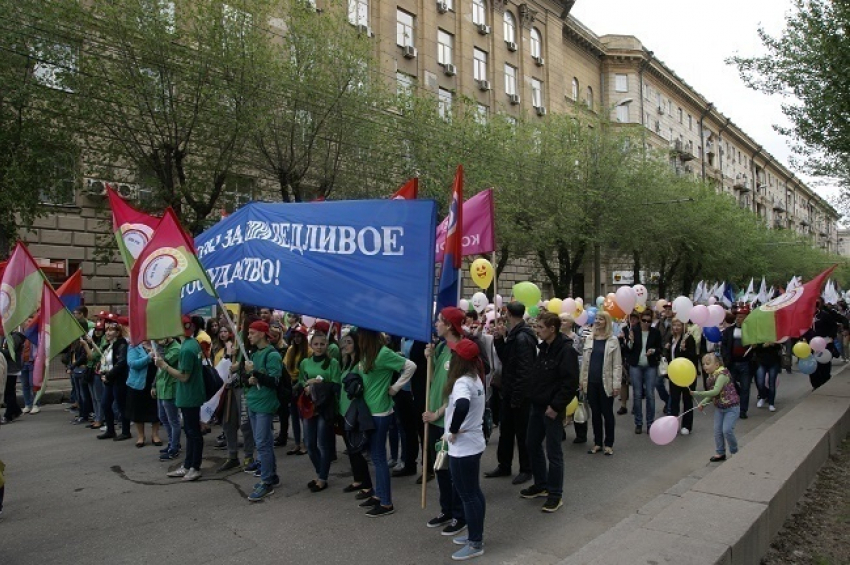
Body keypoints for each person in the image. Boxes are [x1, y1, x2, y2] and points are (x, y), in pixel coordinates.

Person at [356, 329, 416, 517]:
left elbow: (410, 366)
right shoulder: (370, 353)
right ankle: (379, 495)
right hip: (371, 410)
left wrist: (396, 388)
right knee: (376, 457)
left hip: (380, 411)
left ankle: (386, 502)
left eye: (359, 336)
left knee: (379, 458)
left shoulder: (382, 353)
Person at [522, 312, 578, 512]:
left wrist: (556, 406)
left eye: (540, 327)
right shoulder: (543, 348)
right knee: (531, 444)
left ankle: (555, 494)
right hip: (537, 405)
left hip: (552, 409)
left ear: (552, 329)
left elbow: (570, 383)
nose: (537, 330)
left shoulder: (565, 350)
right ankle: (541, 484)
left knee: (554, 452)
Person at [423, 307, 467, 535]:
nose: (436, 324)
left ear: (449, 325)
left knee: (454, 472)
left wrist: (438, 413)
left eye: (439, 321)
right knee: (439, 468)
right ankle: (446, 510)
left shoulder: (462, 352)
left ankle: (460, 516)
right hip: (434, 418)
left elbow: (460, 394)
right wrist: (429, 358)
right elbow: (435, 381)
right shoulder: (441, 347)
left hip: (448, 420)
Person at [442, 338, 487, 560]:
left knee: (468, 495)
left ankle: (475, 542)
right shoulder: (474, 377)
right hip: (473, 442)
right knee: (473, 493)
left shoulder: (462, 382)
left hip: (464, 446)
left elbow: (461, 405)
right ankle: (474, 533)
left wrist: (453, 428)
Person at [486, 301, 537, 485]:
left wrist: (517, 396)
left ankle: (526, 469)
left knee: (521, 434)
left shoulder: (523, 337)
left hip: (519, 394)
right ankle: (504, 464)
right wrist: (499, 339)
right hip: (510, 392)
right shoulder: (515, 335)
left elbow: (524, 371)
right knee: (506, 431)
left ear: (508, 314)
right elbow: (507, 358)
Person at [157, 316, 205, 482]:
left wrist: (165, 366)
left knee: (193, 433)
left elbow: (184, 377)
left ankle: (194, 467)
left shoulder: (186, 349)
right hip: (190, 394)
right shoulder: (191, 344)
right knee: (191, 432)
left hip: (189, 395)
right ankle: (188, 465)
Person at [243, 320, 283, 501]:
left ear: (261, 333)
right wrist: (250, 378)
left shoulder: (272, 355)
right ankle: (271, 474)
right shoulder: (254, 353)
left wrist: (256, 375)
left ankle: (266, 481)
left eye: (252, 333)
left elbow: (275, 381)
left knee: (262, 444)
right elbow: (252, 377)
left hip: (265, 405)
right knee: (264, 441)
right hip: (253, 402)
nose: (249, 336)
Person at [299, 331, 342, 492]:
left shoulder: (333, 363)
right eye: (316, 344)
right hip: (309, 407)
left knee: (323, 444)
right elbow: (299, 383)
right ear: (311, 345)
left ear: (327, 345)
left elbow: (337, 386)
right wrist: (306, 384)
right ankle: (320, 473)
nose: (319, 347)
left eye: (322, 344)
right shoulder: (305, 362)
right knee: (309, 444)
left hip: (325, 408)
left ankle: (322, 478)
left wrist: (318, 386)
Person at [339, 329, 374, 499]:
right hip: (344, 411)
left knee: (358, 449)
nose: (345, 345)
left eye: (349, 342)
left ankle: (367, 485)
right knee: (351, 449)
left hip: (355, 412)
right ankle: (358, 479)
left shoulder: (360, 364)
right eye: (344, 342)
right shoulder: (346, 362)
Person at [580, 312, 621, 456]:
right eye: (596, 319)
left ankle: (608, 444)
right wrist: (582, 381)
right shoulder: (590, 339)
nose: (597, 321)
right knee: (595, 413)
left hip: (606, 382)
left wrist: (616, 385)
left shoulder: (613, 340)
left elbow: (617, 365)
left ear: (607, 322)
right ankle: (597, 443)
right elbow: (584, 364)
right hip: (591, 382)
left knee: (607, 413)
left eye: (601, 319)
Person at [693, 353, 740, 462]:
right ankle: (720, 452)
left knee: (727, 430)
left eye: (708, 363)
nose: (704, 366)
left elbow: (715, 391)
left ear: (717, 365)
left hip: (731, 407)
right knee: (717, 431)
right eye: (703, 364)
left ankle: (735, 451)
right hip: (720, 408)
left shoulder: (722, 375)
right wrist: (703, 404)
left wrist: (697, 393)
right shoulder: (711, 376)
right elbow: (713, 395)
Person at [624, 310, 663, 433]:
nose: (646, 323)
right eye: (644, 320)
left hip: (650, 365)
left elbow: (660, 348)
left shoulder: (655, 332)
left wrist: (654, 351)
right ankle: (638, 423)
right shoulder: (633, 331)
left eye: (649, 321)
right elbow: (628, 349)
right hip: (636, 365)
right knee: (637, 394)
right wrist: (630, 341)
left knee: (650, 395)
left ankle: (650, 423)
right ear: (640, 319)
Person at [98, 319, 131, 441]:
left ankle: (126, 431)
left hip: (119, 380)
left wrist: (109, 375)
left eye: (111, 330)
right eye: (106, 330)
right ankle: (110, 430)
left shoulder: (122, 344)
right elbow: (106, 362)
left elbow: (121, 363)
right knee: (105, 404)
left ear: (118, 332)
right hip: (109, 379)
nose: (107, 332)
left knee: (121, 406)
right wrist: (102, 371)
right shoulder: (108, 346)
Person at [720, 304, 754, 418]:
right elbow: (724, 346)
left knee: (745, 387)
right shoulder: (729, 331)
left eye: (742, 317)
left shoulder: (752, 332)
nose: (739, 319)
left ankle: (743, 411)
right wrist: (726, 358)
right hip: (732, 363)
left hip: (746, 363)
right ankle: (736, 403)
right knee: (732, 385)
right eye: (738, 317)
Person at [665, 319, 698, 435]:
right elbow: (670, 357)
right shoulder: (671, 338)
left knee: (687, 399)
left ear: (683, 326)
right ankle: (674, 425)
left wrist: (684, 350)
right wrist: (667, 349)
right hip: (674, 374)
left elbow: (693, 356)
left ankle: (687, 425)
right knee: (674, 400)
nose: (676, 327)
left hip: (686, 374)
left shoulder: (688, 339)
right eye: (674, 325)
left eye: (678, 325)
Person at [126, 341, 162, 447]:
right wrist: (148, 357)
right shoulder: (134, 346)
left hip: (155, 381)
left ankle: (155, 435)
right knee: (138, 410)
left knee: (155, 409)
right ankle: (141, 436)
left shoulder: (157, 344)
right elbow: (132, 363)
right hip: (138, 383)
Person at [152, 336, 182, 461]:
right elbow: (159, 369)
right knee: (163, 417)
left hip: (170, 389)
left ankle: (174, 448)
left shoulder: (176, 348)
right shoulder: (164, 347)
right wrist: (153, 385)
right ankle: (171, 443)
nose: (158, 340)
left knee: (173, 420)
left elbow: (163, 362)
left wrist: (158, 347)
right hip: (161, 387)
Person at [282, 325, 309, 453]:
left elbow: (308, 371)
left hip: (303, 385)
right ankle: (297, 443)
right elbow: (285, 366)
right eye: (295, 336)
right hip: (291, 385)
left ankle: (306, 444)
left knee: (304, 416)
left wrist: (299, 383)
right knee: (293, 417)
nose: (297, 339)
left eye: (300, 336)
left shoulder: (308, 351)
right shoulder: (290, 350)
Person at [1, 329, 24, 425]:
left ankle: (8, 415)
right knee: (7, 392)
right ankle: (16, 410)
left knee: (9, 392)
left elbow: (10, 353)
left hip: (12, 369)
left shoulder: (16, 337)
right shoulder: (5, 337)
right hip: (5, 368)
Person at [753, 341, 782, 412]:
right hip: (761, 361)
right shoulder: (759, 335)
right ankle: (763, 396)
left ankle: (771, 403)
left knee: (771, 383)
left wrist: (773, 344)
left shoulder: (774, 336)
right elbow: (755, 349)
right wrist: (763, 346)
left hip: (774, 362)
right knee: (760, 382)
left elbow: (780, 347)